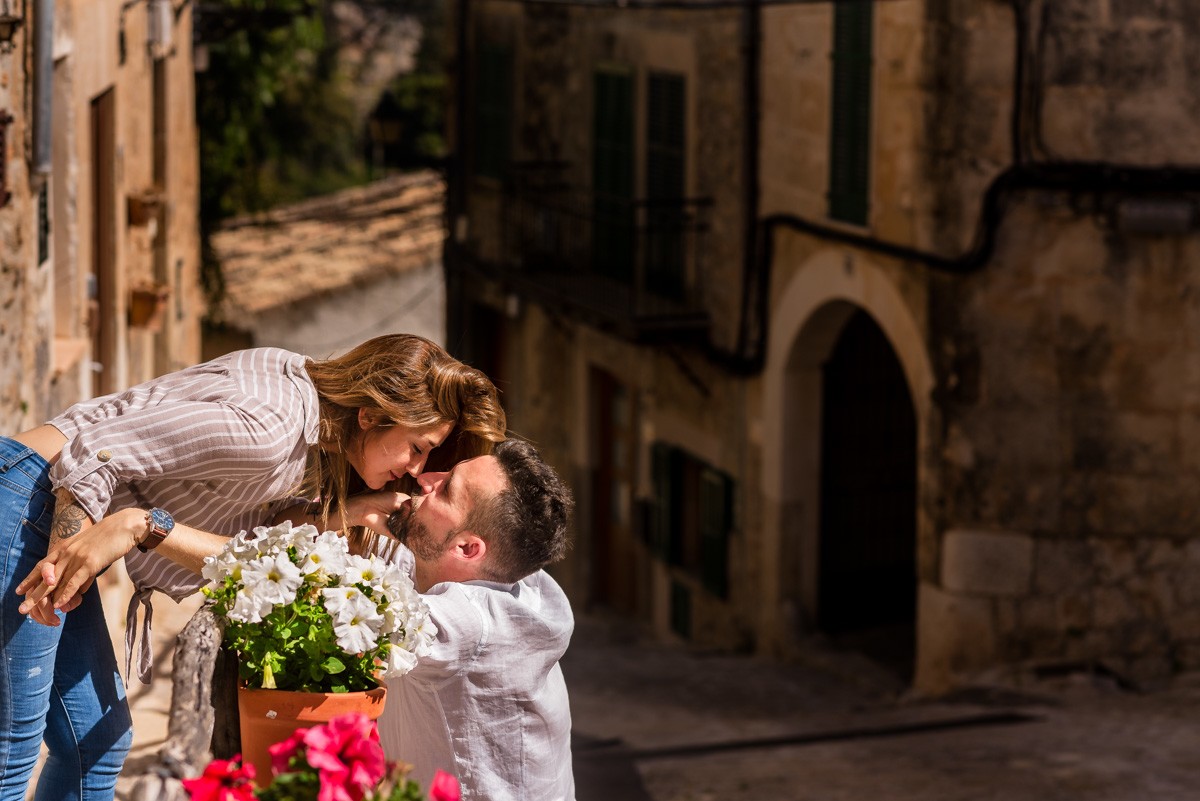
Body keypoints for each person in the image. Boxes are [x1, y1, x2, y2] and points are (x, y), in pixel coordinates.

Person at [0, 334, 506, 801]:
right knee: (13, 746)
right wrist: (62, 568)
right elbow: (97, 453)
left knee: (97, 745)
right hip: (24, 497)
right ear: (372, 415)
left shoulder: (312, 425)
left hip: (38, 502)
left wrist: (343, 513)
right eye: (418, 448)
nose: (417, 470)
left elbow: (254, 536)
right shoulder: (272, 428)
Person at [375, 437, 576, 801]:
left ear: (467, 548)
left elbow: (343, 613)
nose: (424, 477)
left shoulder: (467, 625)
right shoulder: (514, 577)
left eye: (446, 488)